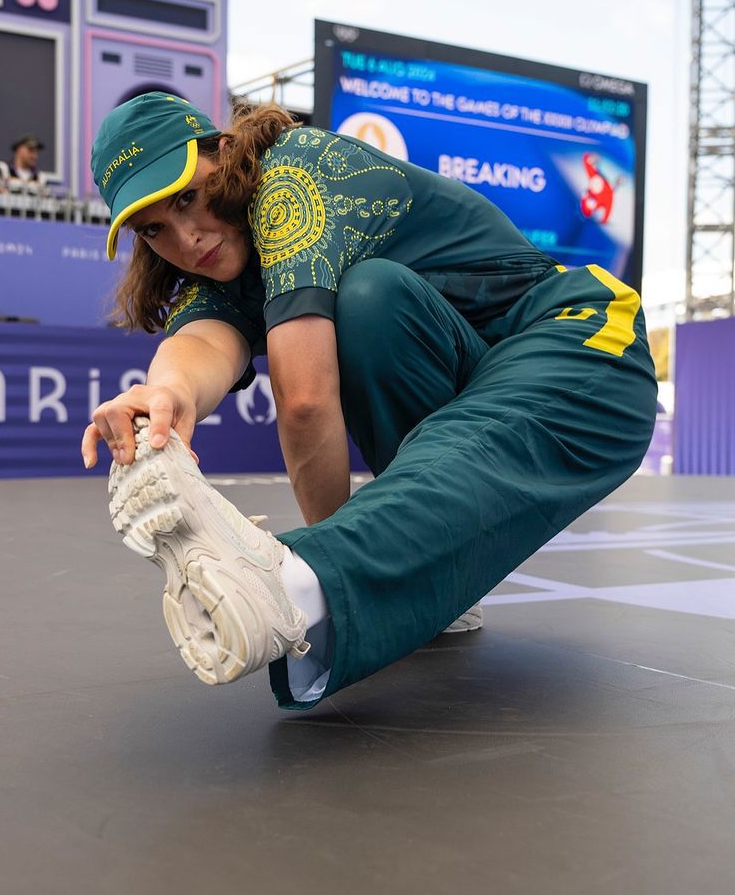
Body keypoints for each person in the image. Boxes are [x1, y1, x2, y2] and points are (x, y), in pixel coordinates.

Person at [80, 91, 657, 710]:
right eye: (154, 229)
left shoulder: (292, 176)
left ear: (225, 153)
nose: (187, 238)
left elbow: (303, 400)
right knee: (372, 300)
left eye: (187, 197)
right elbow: (202, 341)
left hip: (578, 341)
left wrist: (323, 567)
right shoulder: (223, 264)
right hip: (468, 376)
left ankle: (295, 587)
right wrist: (164, 392)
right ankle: (431, 578)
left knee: (369, 299)